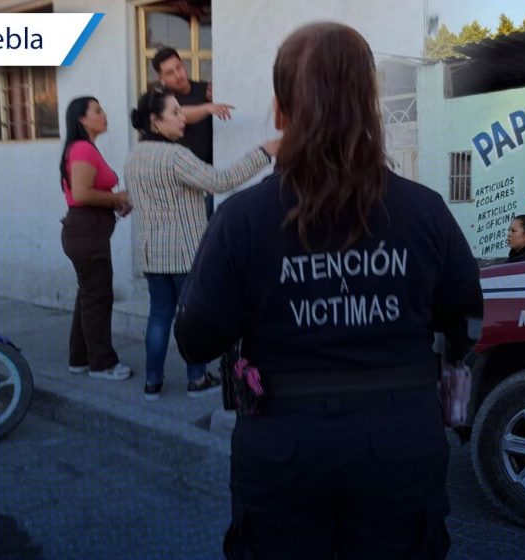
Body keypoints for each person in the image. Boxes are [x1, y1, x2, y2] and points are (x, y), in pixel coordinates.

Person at [174, 22, 481, 559]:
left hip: (284, 447)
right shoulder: (426, 210)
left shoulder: (241, 220)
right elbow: (464, 319)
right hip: (401, 442)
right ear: (369, 104)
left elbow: (196, 339)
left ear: (279, 110)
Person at [125, 87, 277, 400]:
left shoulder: (133, 157)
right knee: (189, 316)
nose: (183, 118)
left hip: (151, 252)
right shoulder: (175, 155)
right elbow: (220, 181)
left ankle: (152, 382)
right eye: (175, 113)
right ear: (155, 121)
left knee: (158, 315)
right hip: (183, 253)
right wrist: (263, 153)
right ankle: (196, 379)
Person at [59, 96, 132, 381]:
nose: (104, 115)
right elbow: (81, 194)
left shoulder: (85, 149)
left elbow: (88, 194)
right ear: (83, 119)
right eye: (97, 111)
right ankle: (102, 364)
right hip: (86, 233)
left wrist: (115, 204)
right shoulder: (82, 150)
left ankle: (79, 358)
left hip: (87, 231)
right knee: (98, 297)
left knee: (88, 296)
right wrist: (117, 197)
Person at [153, 47, 233, 219]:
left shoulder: (206, 90)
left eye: (179, 67)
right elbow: (179, 114)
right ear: (161, 79)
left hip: (211, 177)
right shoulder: (163, 101)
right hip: (182, 184)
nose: (178, 75)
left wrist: (214, 99)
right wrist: (207, 108)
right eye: (170, 72)